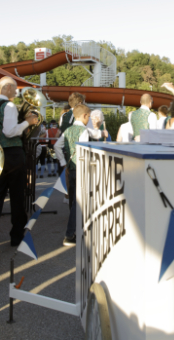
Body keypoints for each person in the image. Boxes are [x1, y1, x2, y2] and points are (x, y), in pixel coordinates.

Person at [0, 76, 38, 257]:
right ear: (8, 88)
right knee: (17, 197)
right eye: (15, 88)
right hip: (13, 155)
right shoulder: (9, 106)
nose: (17, 92)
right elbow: (10, 131)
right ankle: (16, 236)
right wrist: (28, 122)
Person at [54, 104, 97, 246]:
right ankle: (70, 234)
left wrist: (63, 162)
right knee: (77, 203)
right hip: (81, 170)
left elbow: (56, 146)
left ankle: (76, 230)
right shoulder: (83, 131)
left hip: (70, 169)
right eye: (88, 117)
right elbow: (83, 151)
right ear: (84, 116)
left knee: (73, 201)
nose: (88, 120)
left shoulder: (67, 130)